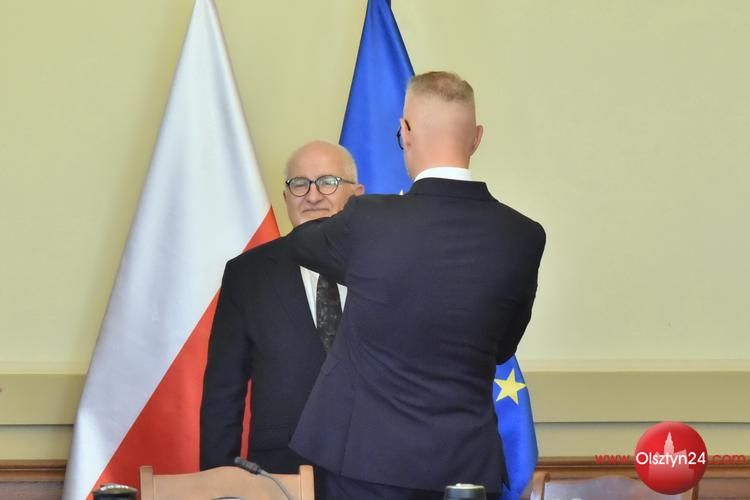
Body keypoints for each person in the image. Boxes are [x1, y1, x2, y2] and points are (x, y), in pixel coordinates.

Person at [288, 72, 546, 500]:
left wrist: (320, 194)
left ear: (405, 132)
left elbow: (302, 242)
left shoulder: (369, 220)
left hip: (365, 463)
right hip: (465, 465)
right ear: (477, 138)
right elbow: (502, 348)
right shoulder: (523, 236)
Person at [199, 141, 364, 494]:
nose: (313, 196)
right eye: (299, 184)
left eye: (328, 182)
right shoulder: (248, 274)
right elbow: (223, 392)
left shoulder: (387, 267)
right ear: (286, 198)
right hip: (280, 473)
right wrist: (218, 486)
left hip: (374, 471)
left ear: (357, 195)